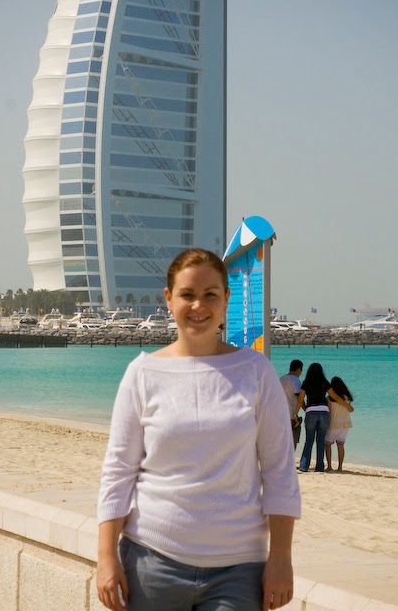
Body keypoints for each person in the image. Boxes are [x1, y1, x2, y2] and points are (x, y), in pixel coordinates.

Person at [97, 248, 301, 611]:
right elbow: (118, 471)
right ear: (168, 298)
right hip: (150, 562)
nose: (198, 306)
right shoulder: (142, 374)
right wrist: (106, 557)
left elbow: (279, 471)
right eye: (187, 294)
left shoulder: (256, 371)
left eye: (210, 295)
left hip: (238, 569)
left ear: (226, 299)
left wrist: (281, 557)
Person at [294, 363, 353, 473]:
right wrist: (348, 406)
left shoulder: (306, 382)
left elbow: (300, 399)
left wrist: (297, 412)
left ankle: (304, 466)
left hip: (311, 412)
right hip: (324, 413)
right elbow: (336, 397)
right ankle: (320, 467)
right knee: (320, 440)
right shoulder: (324, 382)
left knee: (309, 440)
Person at [325, 376, 354, 472]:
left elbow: (329, 412)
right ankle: (340, 467)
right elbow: (349, 410)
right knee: (340, 445)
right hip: (345, 423)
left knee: (328, 444)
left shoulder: (329, 398)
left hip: (334, 423)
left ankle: (329, 466)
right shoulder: (347, 397)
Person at [279, 360, 303, 450]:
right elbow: (299, 399)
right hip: (291, 415)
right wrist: (305, 409)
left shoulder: (281, 379)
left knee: (282, 442)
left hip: (280, 416)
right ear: (298, 369)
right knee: (293, 442)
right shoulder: (296, 380)